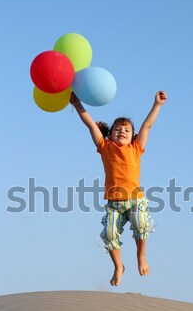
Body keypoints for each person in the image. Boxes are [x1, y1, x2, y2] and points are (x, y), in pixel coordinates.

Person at [70, 90, 167, 286]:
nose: (122, 132)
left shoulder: (136, 148)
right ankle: (119, 266)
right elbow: (90, 124)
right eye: (117, 129)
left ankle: (141, 257)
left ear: (133, 136)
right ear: (110, 133)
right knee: (109, 234)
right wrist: (77, 104)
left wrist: (157, 105)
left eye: (127, 130)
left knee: (141, 224)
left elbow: (147, 125)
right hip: (114, 203)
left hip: (135, 199)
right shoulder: (105, 147)